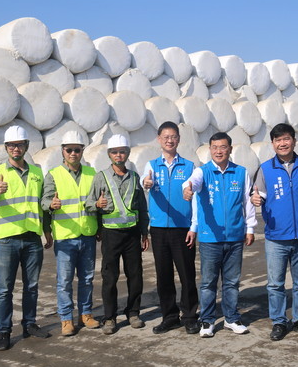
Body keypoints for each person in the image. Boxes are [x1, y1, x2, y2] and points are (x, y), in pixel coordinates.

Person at [0, 125, 52, 351]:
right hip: (7, 239)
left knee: (32, 286)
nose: (15, 148)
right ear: (6, 148)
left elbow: (42, 205)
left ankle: (29, 323)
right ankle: (4, 331)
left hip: (32, 238)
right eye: (11, 145)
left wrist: (47, 231)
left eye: (19, 144)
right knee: (5, 289)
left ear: (26, 146)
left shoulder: (36, 172)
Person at [182, 132, 256, 338]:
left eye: (223, 147)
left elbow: (247, 201)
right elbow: (192, 183)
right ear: (210, 150)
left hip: (235, 236)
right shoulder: (202, 172)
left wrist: (250, 228)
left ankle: (231, 318)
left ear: (230, 149)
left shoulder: (241, 172)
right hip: (210, 238)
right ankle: (207, 320)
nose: (218, 151)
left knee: (232, 282)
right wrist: (188, 189)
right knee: (208, 282)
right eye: (214, 147)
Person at [251, 123, 298, 341]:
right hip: (276, 236)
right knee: (276, 283)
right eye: (278, 140)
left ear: (294, 141)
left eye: (286, 139)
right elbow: (256, 194)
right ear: (272, 144)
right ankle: (279, 321)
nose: (282, 143)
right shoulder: (265, 168)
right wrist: (254, 198)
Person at [85, 134, 149, 335]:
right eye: (114, 152)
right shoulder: (100, 177)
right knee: (110, 277)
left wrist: (144, 233)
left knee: (135, 276)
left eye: (122, 151)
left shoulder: (134, 177)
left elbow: (141, 207)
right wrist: (97, 205)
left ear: (128, 154)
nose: (118, 155)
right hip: (110, 235)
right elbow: (88, 204)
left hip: (131, 235)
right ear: (109, 154)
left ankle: (133, 312)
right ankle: (110, 317)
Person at [141, 121, 200, 335]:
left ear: (178, 139)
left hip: (182, 228)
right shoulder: (151, 165)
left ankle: (191, 316)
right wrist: (146, 183)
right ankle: (170, 316)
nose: (169, 140)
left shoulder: (189, 166)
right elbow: (143, 181)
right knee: (163, 275)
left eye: (173, 136)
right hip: (158, 229)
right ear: (159, 139)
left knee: (187, 274)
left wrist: (194, 226)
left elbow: (196, 197)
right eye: (165, 136)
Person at [41, 131, 99, 336]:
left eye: (77, 149)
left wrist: (99, 228)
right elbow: (44, 201)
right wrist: (51, 204)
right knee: (64, 281)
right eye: (69, 150)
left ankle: (86, 314)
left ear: (82, 151)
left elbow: (97, 202)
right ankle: (66, 319)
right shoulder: (54, 175)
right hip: (65, 237)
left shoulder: (92, 174)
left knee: (87, 278)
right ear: (62, 151)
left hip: (88, 234)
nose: (73, 153)